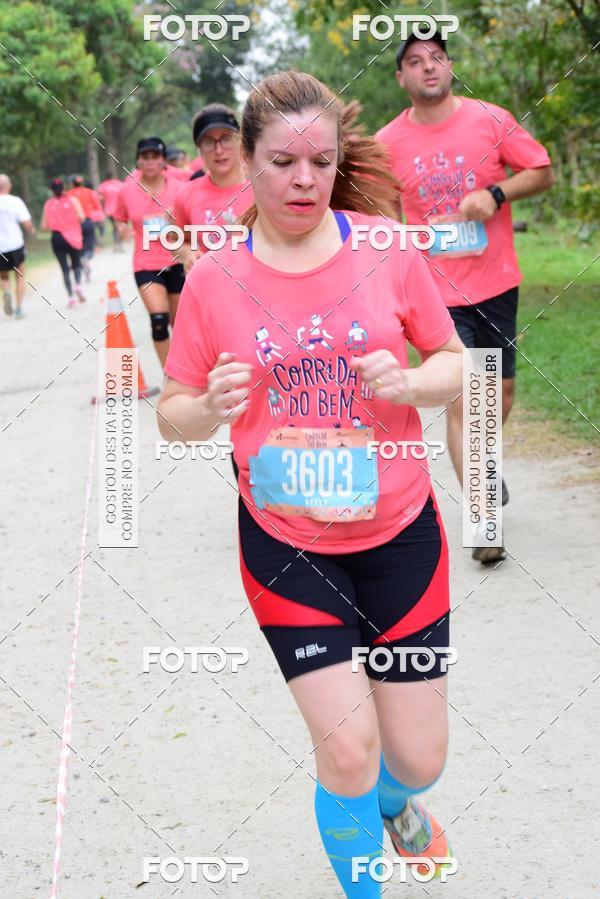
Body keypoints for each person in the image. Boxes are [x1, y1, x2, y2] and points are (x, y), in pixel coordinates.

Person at [158, 71, 464, 898]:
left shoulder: (388, 249)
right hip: (287, 545)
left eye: (321, 163)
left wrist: (411, 383)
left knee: (416, 758)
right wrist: (206, 408)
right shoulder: (215, 278)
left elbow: (454, 362)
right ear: (246, 161)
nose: (305, 180)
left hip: (399, 533)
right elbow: (171, 414)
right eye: (284, 162)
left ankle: (397, 802)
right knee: (349, 748)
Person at [376, 29, 554, 563]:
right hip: (435, 292)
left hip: (495, 282)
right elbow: (385, 218)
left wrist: (495, 193)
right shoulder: (387, 143)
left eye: (437, 57)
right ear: (401, 77)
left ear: (450, 67)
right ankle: (484, 519)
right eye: (415, 61)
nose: (428, 66)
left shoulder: (491, 120)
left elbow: (541, 171)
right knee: (466, 398)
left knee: (498, 396)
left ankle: (483, 466)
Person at [113, 137, 185, 368]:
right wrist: (121, 228)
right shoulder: (126, 191)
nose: (151, 162)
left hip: (177, 261)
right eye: (146, 157)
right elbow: (119, 217)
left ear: (164, 161)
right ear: (138, 160)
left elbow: (191, 221)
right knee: (159, 320)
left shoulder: (180, 188)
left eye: (155, 157)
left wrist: (176, 221)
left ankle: (186, 371)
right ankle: (169, 375)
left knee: (180, 325)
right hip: (146, 264)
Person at [173, 104, 254, 275]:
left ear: (240, 141)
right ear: (200, 150)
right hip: (209, 285)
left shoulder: (262, 188)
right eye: (209, 142)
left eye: (226, 138)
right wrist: (187, 253)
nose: (219, 150)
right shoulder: (186, 195)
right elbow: (176, 240)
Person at [40, 178, 86, 307]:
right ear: (64, 188)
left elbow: (43, 226)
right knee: (76, 264)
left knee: (64, 268)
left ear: (51, 190)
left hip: (57, 238)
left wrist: (56, 223)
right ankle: (78, 285)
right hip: (74, 237)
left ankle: (71, 298)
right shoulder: (73, 200)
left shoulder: (48, 204)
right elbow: (82, 217)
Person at [0, 174, 35, 318]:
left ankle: (7, 292)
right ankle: (19, 308)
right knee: (20, 275)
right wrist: (31, 230)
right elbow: (26, 223)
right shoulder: (15, 201)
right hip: (15, 244)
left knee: (3, 275)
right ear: (9, 186)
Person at [67, 175, 104, 282]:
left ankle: (83, 266)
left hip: (74, 225)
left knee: (78, 250)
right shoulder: (89, 192)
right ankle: (85, 260)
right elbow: (97, 207)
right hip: (87, 222)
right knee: (90, 249)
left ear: (71, 183)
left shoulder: (68, 194)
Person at [97, 172, 125, 251]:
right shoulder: (119, 184)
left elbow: (100, 199)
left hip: (109, 210)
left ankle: (116, 245)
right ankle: (119, 245)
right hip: (119, 209)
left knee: (115, 227)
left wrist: (103, 207)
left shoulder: (102, 186)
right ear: (113, 176)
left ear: (105, 177)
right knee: (118, 227)